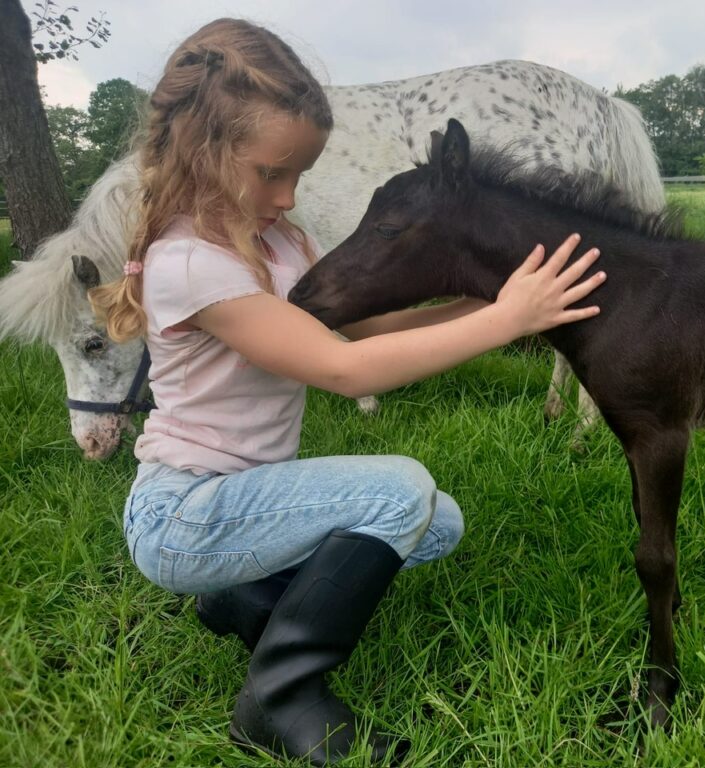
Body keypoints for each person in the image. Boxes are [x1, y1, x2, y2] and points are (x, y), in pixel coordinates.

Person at [87, 17, 605, 767]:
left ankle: (245, 598)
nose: (290, 196)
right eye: (272, 173)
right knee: (402, 491)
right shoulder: (189, 263)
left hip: (247, 495)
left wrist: (507, 299)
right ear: (205, 152)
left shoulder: (280, 244)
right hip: (184, 515)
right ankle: (279, 701)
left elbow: (368, 327)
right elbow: (343, 369)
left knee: (436, 523)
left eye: (301, 174)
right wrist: (503, 324)